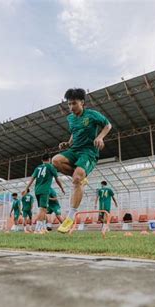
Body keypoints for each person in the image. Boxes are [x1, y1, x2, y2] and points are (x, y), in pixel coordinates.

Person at [52, 88, 112, 233]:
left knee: (77, 178)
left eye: (74, 103)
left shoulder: (92, 114)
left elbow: (108, 125)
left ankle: (70, 217)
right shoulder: (70, 118)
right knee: (56, 160)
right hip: (74, 150)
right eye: (69, 104)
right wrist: (68, 143)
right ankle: (80, 178)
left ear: (82, 102)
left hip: (88, 152)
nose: (71, 107)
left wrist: (100, 137)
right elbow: (74, 132)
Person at [23, 154, 65, 234]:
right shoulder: (51, 167)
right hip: (45, 190)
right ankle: (37, 229)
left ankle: (42, 228)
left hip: (37, 190)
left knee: (43, 210)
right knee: (43, 209)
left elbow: (32, 179)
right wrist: (62, 188)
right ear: (49, 159)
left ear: (42, 160)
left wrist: (26, 188)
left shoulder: (38, 167)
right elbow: (57, 179)